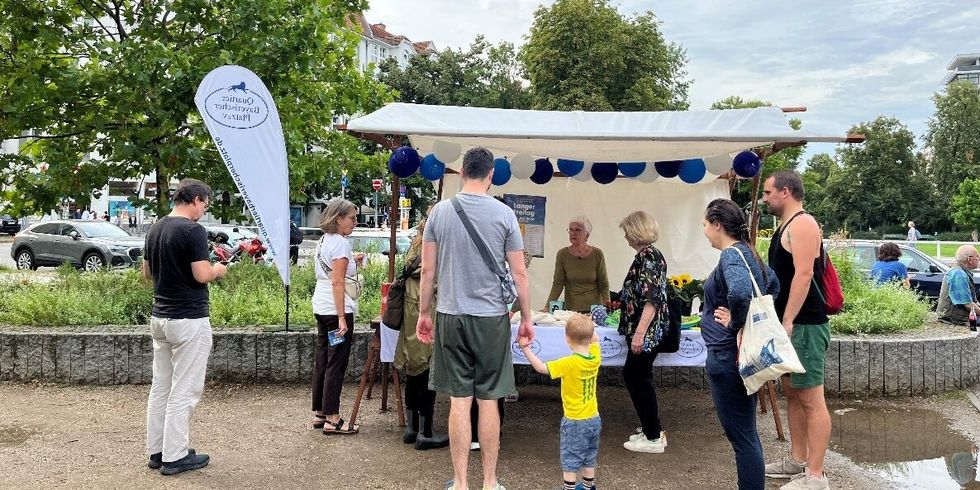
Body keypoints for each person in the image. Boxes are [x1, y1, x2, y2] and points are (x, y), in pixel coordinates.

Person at [416, 147, 533, 490]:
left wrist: (424, 312)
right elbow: (520, 273)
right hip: (491, 319)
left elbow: (427, 270)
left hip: (450, 315)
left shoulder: (439, 213)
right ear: (491, 174)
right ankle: (490, 481)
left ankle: (461, 483)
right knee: (489, 401)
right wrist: (527, 318)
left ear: (462, 172)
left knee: (459, 402)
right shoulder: (505, 214)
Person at [142, 178, 227, 476]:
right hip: (188, 319)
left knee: (161, 386)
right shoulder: (193, 230)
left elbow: (147, 273)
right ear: (195, 200)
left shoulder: (155, 228)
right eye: (205, 204)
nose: (204, 211)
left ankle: (158, 450)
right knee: (185, 390)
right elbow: (202, 274)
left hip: (160, 317)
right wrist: (218, 270)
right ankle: (175, 456)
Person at [701, 199, 779, 490]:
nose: (704, 231)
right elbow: (774, 285)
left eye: (705, 225)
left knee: (743, 438)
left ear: (717, 225)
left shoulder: (731, 255)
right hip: (736, 354)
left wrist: (735, 322)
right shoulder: (749, 253)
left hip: (728, 356)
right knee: (746, 433)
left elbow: (741, 293)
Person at [761, 170, 831, 490]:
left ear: (785, 191)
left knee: (811, 398)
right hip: (791, 324)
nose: (764, 199)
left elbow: (804, 274)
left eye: (768, 193)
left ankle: (815, 476)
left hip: (804, 324)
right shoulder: (785, 225)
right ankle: (797, 460)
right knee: (792, 393)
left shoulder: (803, 224)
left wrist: (787, 320)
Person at [519, 313, 601, 490]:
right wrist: (588, 324)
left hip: (574, 420)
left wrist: (525, 349)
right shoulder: (595, 357)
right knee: (589, 455)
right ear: (589, 337)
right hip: (594, 418)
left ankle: (568, 488)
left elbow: (541, 367)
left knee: (570, 457)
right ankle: (588, 486)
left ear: (567, 338)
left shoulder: (568, 363)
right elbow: (595, 339)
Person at [395, 215, 449, 451]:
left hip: (410, 314)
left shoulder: (413, 247)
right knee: (427, 371)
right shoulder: (435, 250)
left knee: (413, 370)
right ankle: (425, 432)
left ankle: (411, 428)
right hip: (427, 312)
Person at [617, 210, 669, 454]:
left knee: (635, 376)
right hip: (647, 329)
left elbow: (652, 300)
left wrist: (639, 334)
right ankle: (651, 428)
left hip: (646, 331)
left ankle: (653, 436)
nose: (625, 236)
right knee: (639, 376)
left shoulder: (648, 257)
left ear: (636, 231)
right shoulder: (649, 255)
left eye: (627, 231)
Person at [311, 198, 364, 435]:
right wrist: (342, 317)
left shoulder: (324, 240)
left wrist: (353, 261)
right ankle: (333, 418)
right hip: (336, 311)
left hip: (322, 307)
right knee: (336, 362)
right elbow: (338, 281)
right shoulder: (341, 244)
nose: (355, 222)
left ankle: (321, 412)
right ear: (339, 218)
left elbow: (332, 273)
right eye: (352, 218)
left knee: (323, 358)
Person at [545, 216, 610, 313]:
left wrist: (608, 307)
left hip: (595, 311)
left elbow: (604, 284)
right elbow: (557, 284)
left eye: (578, 230)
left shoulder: (597, 254)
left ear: (587, 235)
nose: (573, 233)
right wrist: (547, 307)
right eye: (571, 230)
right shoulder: (562, 254)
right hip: (571, 310)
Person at [937, 245, 980, 325]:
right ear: (970, 260)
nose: (979, 258)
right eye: (977, 256)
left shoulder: (961, 271)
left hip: (960, 314)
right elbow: (967, 304)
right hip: (954, 316)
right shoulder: (959, 274)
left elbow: (973, 301)